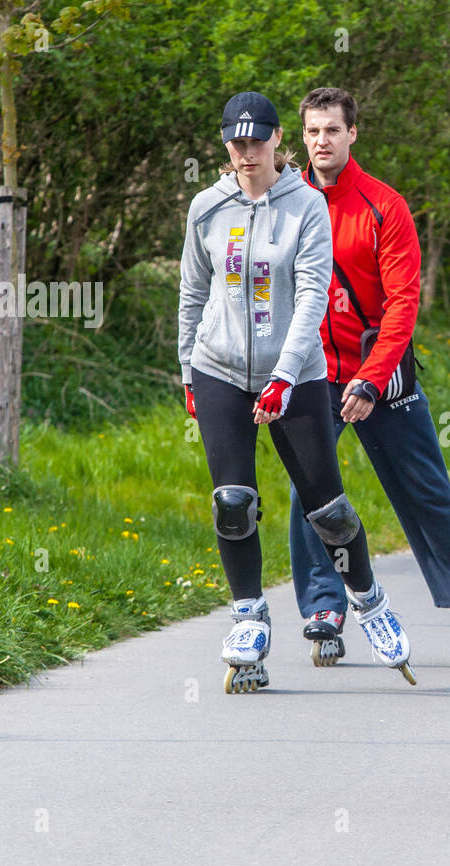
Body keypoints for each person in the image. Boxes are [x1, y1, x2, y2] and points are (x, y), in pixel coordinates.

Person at [177, 90, 414, 691]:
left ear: (279, 140)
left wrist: (285, 374)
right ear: (225, 144)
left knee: (327, 511)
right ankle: (249, 617)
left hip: (299, 374)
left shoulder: (306, 205)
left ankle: (368, 599)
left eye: (258, 142)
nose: (247, 153)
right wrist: (187, 371)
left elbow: (312, 294)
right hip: (220, 368)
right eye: (237, 143)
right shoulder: (207, 206)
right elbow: (191, 292)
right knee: (233, 502)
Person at [288, 87, 450, 668]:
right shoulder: (286, 204)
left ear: (352, 133)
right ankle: (325, 607)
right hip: (314, 374)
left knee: (426, 487)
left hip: (380, 373)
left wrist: (371, 378)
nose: (321, 142)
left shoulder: (385, 206)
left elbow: (403, 303)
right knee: (311, 491)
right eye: (312, 132)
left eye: (332, 130)